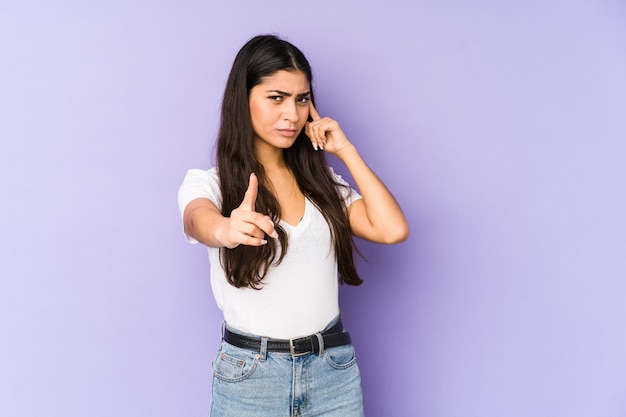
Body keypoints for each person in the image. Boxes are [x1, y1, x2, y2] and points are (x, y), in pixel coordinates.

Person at [178, 34, 409, 417]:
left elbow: (392, 229)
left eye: (302, 99)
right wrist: (225, 230)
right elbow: (197, 218)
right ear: (244, 99)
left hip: (332, 370)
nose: (292, 114)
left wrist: (345, 151)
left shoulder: (325, 187)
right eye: (276, 97)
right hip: (251, 377)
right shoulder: (211, 184)